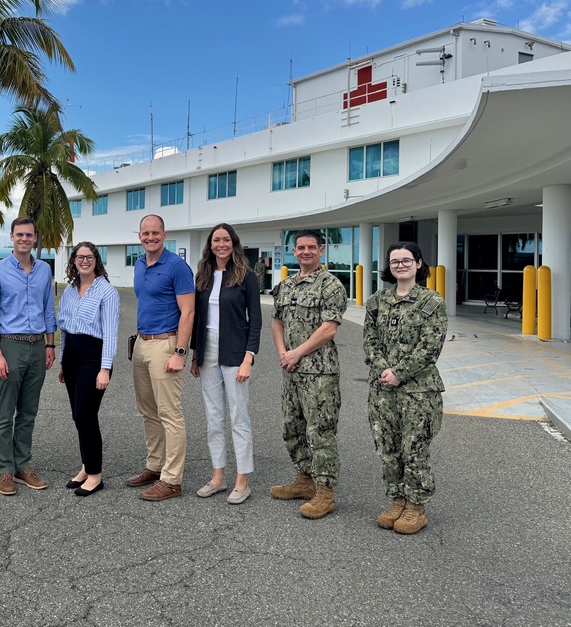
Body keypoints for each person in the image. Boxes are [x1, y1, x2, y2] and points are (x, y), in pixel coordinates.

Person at [364, 242, 447, 535]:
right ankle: (397, 500)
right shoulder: (376, 301)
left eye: (406, 260)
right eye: (395, 261)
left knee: (414, 448)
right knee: (387, 447)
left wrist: (399, 373)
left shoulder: (431, 302)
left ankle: (416, 506)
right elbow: (369, 342)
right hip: (383, 390)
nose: (400, 265)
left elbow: (430, 347)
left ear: (419, 263)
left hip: (418, 392)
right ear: (389, 266)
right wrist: (384, 371)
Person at [271, 229, 348, 519]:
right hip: (291, 370)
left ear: (321, 250)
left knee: (320, 431)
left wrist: (296, 353)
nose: (305, 252)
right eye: (300, 247)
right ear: (294, 251)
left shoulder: (330, 285)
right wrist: (283, 353)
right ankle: (305, 481)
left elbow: (329, 328)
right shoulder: (286, 285)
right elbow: (277, 322)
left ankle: (325, 492)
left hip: (319, 373)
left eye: (311, 247)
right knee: (292, 427)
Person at [0, 217, 57, 496]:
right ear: (11, 237)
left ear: (35, 238)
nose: (24, 239)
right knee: (6, 410)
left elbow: (48, 307)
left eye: (29, 235)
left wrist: (50, 345)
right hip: (10, 345)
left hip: (37, 345)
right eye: (19, 234)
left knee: (28, 410)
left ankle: (22, 465)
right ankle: (4, 470)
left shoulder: (44, 271)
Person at [190, 224, 262, 505]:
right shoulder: (204, 276)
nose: (221, 244)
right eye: (216, 240)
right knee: (213, 417)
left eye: (226, 239)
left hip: (235, 353)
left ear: (233, 243)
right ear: (210, 244)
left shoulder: (247, 276)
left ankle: (242, 480)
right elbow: (198, 319)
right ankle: (218, 476)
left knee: (238, 418)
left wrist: (249, 357)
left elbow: (255, 319)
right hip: (207, 352)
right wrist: (196, 355)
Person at [127, 214, 195, 501]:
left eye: (155, 233)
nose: (150, 237)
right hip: (142, 343)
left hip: (166, 344)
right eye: (145, 233)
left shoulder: (177, 267)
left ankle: (172, 479)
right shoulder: (140, 264)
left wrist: (180, 352)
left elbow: (188, 312)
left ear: (165, 235)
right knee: (148, 411)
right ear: (140, 236)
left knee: (170, 414)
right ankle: (155, 466)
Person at [57, 241, 120, 498]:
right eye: (80, 257)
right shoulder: (70, 291)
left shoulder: (107, 292)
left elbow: (111, 334)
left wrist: (105, 369)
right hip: (71, 355)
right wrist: (62, 361)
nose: (84, 260)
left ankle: (96, 475)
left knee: (86, 415)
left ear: (97, 260)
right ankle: (86, 466)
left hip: (93, 358)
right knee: (77, 416)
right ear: (73, 261)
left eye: (89, 256)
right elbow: (64, 330)